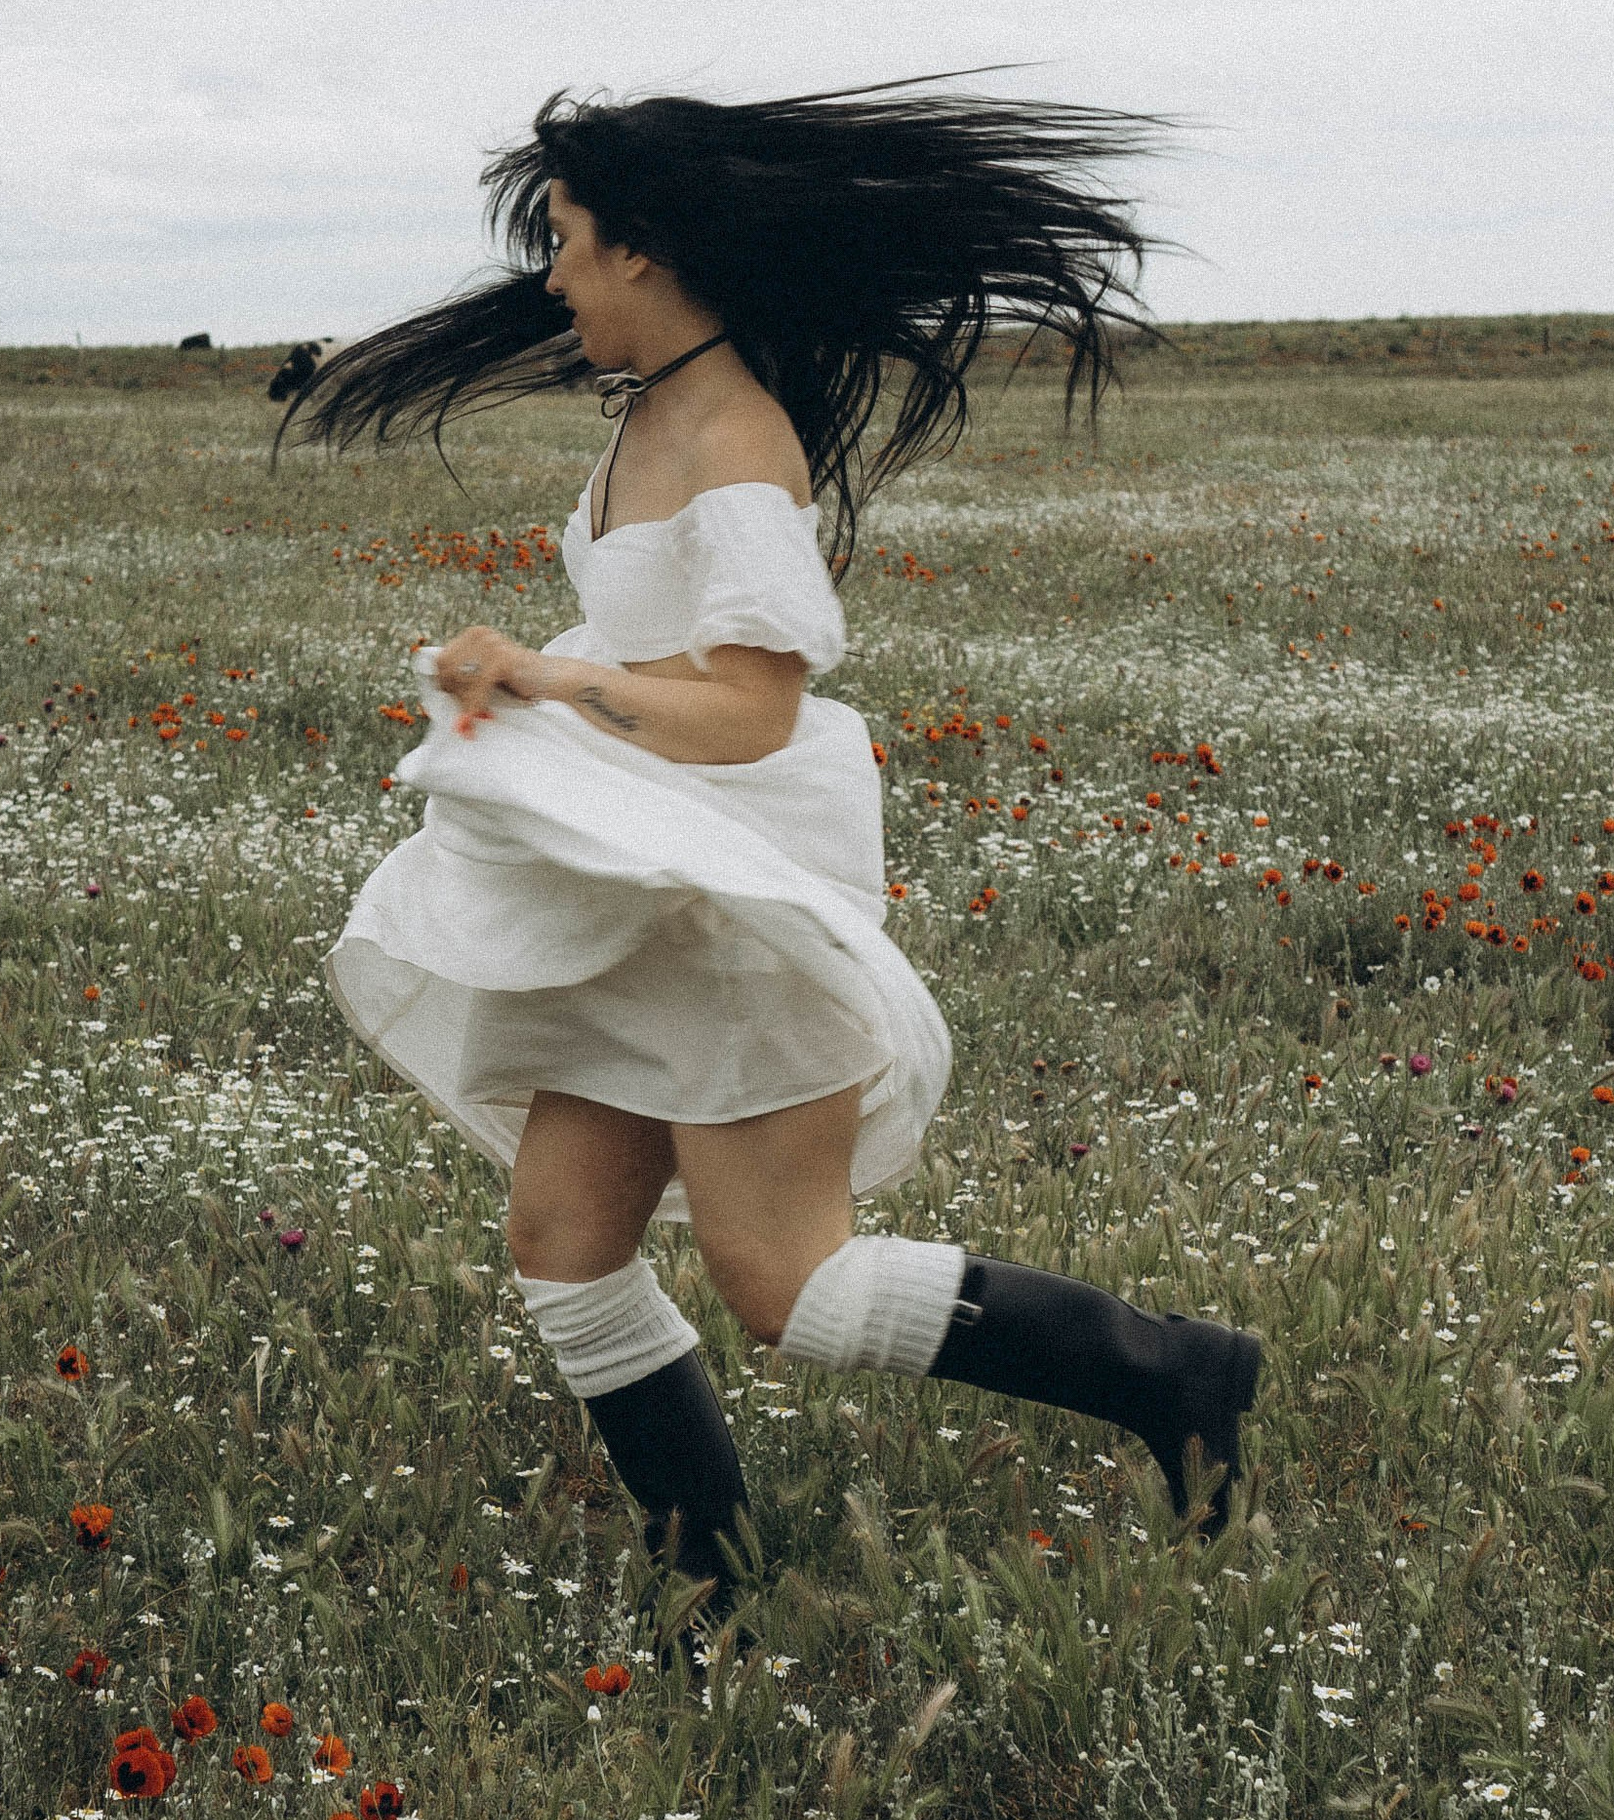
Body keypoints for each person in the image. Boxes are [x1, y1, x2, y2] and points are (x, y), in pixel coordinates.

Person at [300, 81, 1261, 1593]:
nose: (549, 278)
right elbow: (659, 643)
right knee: (564, 1245)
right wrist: (536, 685)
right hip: (637, 874)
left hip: (722, 893)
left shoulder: (735, 444)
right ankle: (713, 1594)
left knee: (789, 1286)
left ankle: (1174, 1371)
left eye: (566, 240)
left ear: (641, 250)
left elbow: (753, 706)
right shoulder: (652, 410)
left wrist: (551, 678)